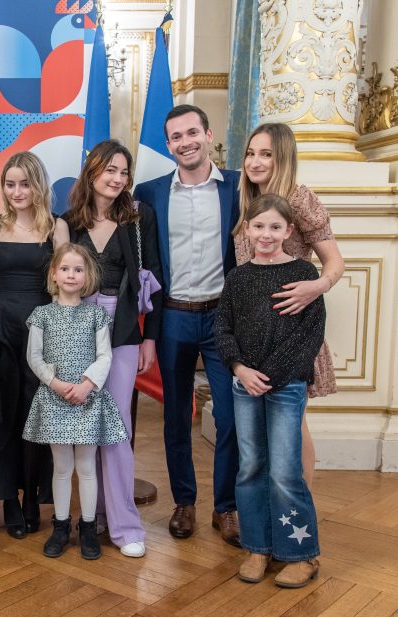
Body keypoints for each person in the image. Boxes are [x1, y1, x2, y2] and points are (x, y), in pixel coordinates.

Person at [133, 105, 242, 546]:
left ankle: (226, 507)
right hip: (173, 315)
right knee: (176, 416)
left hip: (223, 317)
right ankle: (184, 502)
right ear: (168, 145)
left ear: (208, 134)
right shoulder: (150, 192)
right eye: (176, 136)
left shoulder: (238, 185)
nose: (185, 142)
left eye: (192, 132)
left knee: (230, 417)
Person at [215, 194, 323, 588]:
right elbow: (222, 330)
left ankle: (301, 552)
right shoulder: (239, 278)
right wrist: (242, 370)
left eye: (275, 227)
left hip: (286, 387)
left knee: (284, 470)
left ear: (288, 231)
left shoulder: (303, 273)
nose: (266, 233)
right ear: (247, 229)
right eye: (259, 226)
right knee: (251, 468)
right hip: (245, 385)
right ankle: (257, 547)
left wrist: (270, 376)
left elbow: (309, 337)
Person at [0, 151, 70, 538]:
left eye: (25, 183)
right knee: (1, 415)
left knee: (36, 417)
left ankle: (30, 500)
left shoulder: (58, 228)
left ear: (37, 185)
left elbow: (63, 286)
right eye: (10, 184)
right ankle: (8, 499)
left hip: (42, 332)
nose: (17, 191)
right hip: (1, 331)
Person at [65, 140, 162, 558]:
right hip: (76, 333)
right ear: (92, 172)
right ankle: (92, 516)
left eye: (124, 172)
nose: (117, 179)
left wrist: (150, 338)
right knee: (84, 428)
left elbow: (154, 280)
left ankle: (124, 523)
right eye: (110, 170)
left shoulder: (140, 220)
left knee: (116, 427)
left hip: (122, 334)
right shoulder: (67, 223)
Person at [239, 122, 344, 489]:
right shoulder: (246, 201)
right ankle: (268, 511)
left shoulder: (299, 200)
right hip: (254, 335)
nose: (255, 161)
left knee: (293, 424)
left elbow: (334, 261)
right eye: (251, 153)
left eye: (266, 154)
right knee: (261, 432)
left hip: (291, 331)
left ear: (282, 157)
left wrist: (315, 287)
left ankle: (298, 510)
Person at [23, 243, 128, 560]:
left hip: (87, 400)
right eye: (65, 268)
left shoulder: (96, 314)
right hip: (55, 399)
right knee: (61, 467)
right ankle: (60, 526)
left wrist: (86, 385)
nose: (71, 274)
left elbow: (104, 355)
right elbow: (35, 357)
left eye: (78, 269)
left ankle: (87, 527)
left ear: (87, 276)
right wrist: (55, 383)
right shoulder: (42, 315)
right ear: (54, 274)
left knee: (86, 467)